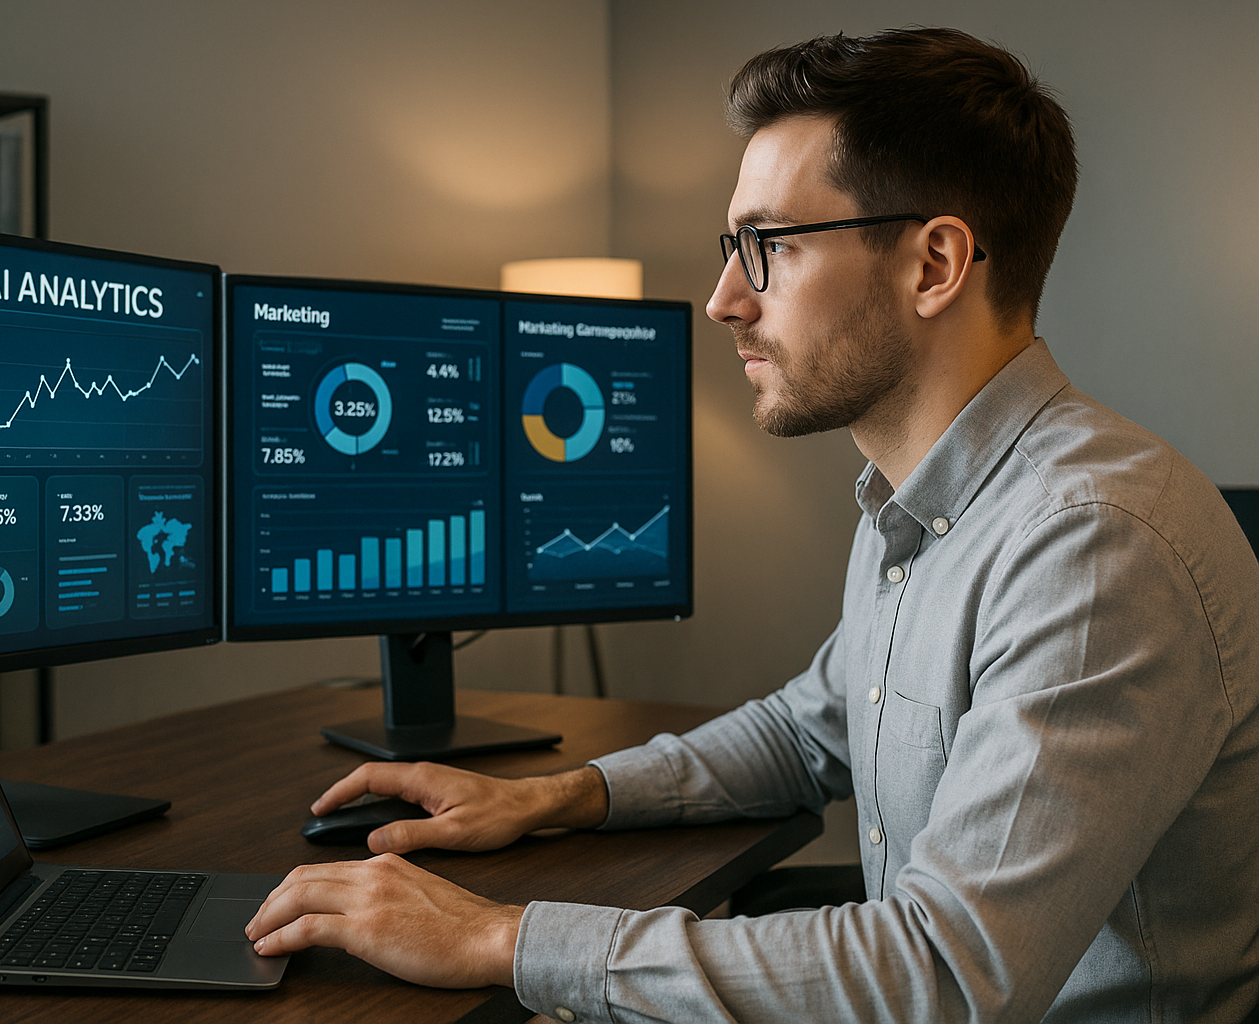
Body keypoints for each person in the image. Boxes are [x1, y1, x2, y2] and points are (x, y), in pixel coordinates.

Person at [245, 27, 1259, 1023]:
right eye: (732, 248)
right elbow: (806, 731)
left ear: (935, 264)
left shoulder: (1092, 547)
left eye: (768, 246)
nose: (724, 299)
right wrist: (551, 797)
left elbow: (946, 977)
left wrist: (498, 938)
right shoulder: (916, 502)